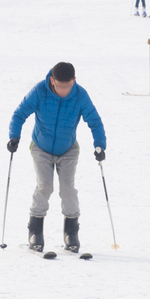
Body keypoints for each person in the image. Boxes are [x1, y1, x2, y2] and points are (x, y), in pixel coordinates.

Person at [8, 62, 107, 253]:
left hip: (68, 149)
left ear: (74, 81)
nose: (64, 90)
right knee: (45, 186)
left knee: (68, 189)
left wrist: (99, 144)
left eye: (68, 86)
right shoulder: (39, 91)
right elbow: (19, 113)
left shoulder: (80, 95)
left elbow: (94, 120)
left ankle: (71, 233)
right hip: (41, 147)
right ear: (52, 81)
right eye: (60, 86)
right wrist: (14, 136)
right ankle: (35, 230)